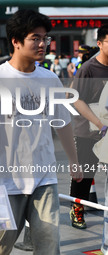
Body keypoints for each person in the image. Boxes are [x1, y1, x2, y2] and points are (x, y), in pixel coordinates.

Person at [0, 9, 82, 255]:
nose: (43, 44)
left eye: (45, 38)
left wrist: (74, 161)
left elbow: (63, 122)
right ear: (16, 42)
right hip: (2, 181)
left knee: (49, 242)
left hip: (43, 177)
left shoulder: (50, 79)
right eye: (35, 38)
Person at [70, 25, 108, 232]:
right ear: (100, 44)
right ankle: (77, 209)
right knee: (84, 174)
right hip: (89, 131)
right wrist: (100, 123)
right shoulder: (88, 69)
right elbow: (76, 100)